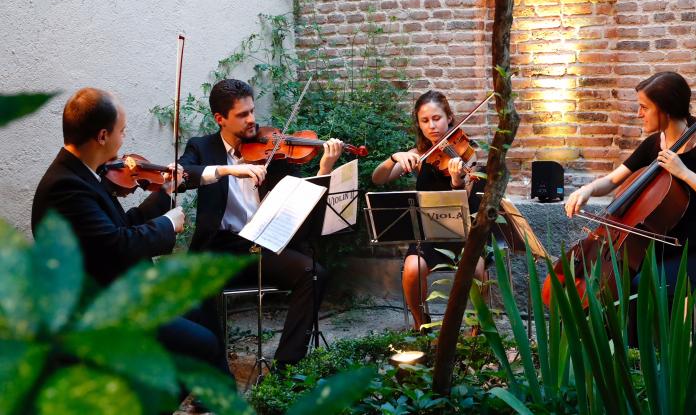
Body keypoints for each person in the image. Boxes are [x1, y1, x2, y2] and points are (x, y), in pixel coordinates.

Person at [31, 87, 229, 379]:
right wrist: (167, 224)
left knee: (200, 309)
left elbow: (119, 226)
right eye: (121, 131)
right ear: (102, 136)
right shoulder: (67, 187)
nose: (124, 139)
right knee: (202, 346)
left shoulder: (83, 173)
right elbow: (117, 243)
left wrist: (165, 192)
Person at [178, 78, 343, 368]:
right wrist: (230, 169)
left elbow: (299, 195)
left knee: (313, 274)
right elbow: (182, 175)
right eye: (243, 115)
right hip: (221, 248)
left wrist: (324, 168)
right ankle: (214, 376)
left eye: (252, 111)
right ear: (221, 119)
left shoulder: (272, 148)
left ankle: (286, 368)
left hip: (262, 245)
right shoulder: (202, 147)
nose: (252, 120)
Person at [564, 71, 696, 288]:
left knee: (642, 286)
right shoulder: (653, 144)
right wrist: (587, 190)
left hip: (694, 255)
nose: (639, 113)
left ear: (665, 110)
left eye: (645, 107)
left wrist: (684, 172)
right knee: (604, 284)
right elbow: (612, 181)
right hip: (652, 251)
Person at [372, 90, 488, 331]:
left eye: (437, 118)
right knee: (413, 269)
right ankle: (420, 324)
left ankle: (479, 328)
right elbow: (378, 179)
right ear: (419, 124)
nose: (432, 126)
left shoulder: (468, 151)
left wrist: (456, 181)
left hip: (464, 232)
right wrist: (394, 158)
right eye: (425, 121)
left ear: (449, 118)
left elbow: (466, 194)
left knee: (476, 269)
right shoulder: (418, 155)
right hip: (429, 234)